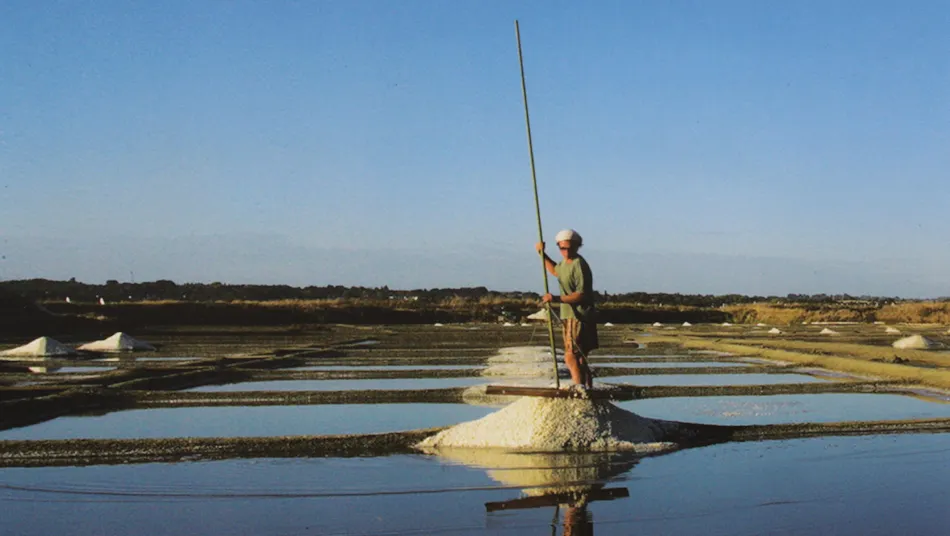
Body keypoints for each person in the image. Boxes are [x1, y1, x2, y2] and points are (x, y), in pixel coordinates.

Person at [535, 228, 598, 389]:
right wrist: (542, 254)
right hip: (570, 315)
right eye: (563, 248)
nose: (567, 251)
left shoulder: (579, 265)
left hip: (579, 316)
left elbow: (580, 295)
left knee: (570, 356)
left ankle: (579, 389)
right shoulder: (565, 264)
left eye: (571, 247)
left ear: (578, 246)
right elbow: (556, 271)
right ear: (559, 247)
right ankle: (588, 390)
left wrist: (556, 298)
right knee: (581, 359)